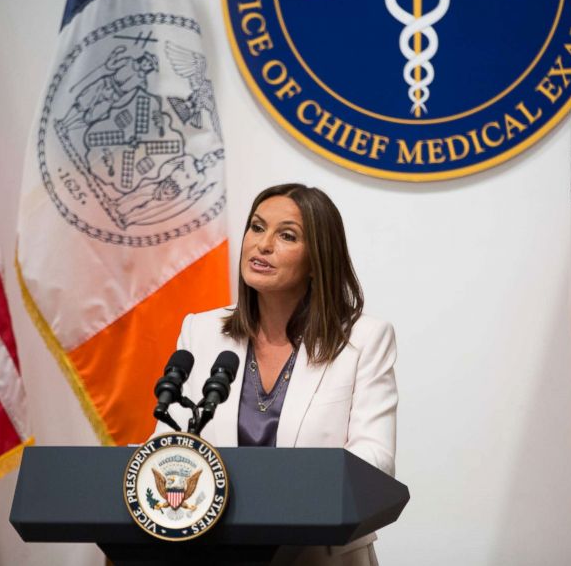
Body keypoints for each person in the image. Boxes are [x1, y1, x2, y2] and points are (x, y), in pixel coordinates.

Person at [160, 183, 398, 565]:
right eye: (256, 228)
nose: (263, 245)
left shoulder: (364, 339)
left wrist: (282, 489)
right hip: (217, 552)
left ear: (318, 260)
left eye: (286, 236)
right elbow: (169, 446)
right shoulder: (200, 331)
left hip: (321, 554)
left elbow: (375, 458)